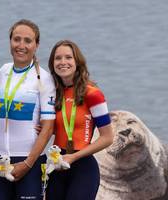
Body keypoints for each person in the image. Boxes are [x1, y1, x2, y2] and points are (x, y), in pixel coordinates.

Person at [0, 19, 56, 200]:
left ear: (36, 45)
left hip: (29, 161)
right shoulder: (2, 71)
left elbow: (48, 128)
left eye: (28, 41)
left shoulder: (44, 78)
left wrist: (27, 163)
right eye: (16, 39)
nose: (21, 45)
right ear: (10, 42)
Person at [45, 40, 114, 200]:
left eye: (68, 57)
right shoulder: (53, 94)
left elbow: (107, 137)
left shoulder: (93, 94)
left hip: (82, 166)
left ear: (77, 62)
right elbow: (54, 128)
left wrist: (74, 157)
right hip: (57, 165)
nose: (63, 62)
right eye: (58, 58)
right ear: (52, 63)